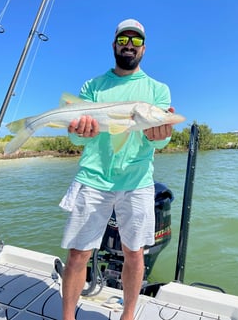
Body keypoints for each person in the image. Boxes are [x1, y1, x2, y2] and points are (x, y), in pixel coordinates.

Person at [60, 18, 173, 320]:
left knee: (135, 253)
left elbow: (159, 143)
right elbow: (74, 135)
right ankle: (67, 317)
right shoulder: (92, 87)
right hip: (93, 178)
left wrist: (158, 133)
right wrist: (78, 131)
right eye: (124, 39)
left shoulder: (158, 90)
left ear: (144, 49)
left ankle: (128, 315)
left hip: (137, 181)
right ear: (114, 44)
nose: (129, 45)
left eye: (136, 41)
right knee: (78, 253)